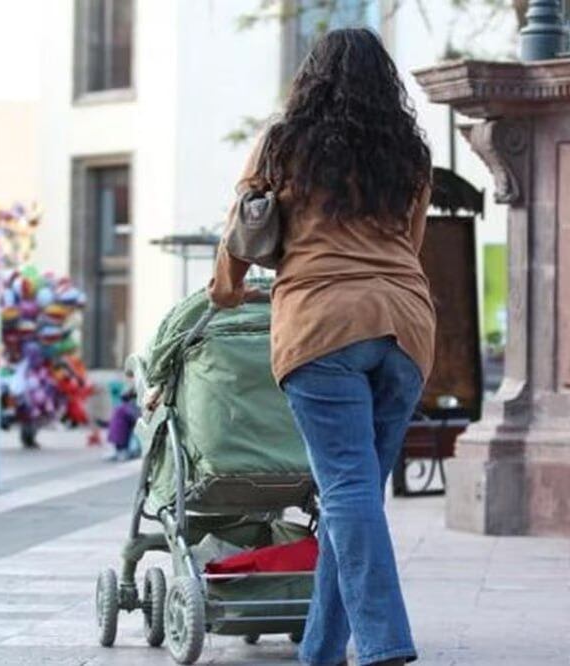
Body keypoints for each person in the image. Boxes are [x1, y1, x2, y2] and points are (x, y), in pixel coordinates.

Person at [209, 28, 433, 666]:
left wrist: (224, 292)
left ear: (312, 78)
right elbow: (410, 245)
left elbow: (242, 230)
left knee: (346, 490)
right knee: (357, 491)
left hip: (320, 325)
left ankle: (386, 643)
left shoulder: (284, 146)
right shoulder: (411, 154)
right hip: (405, 329)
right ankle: (320, 650)